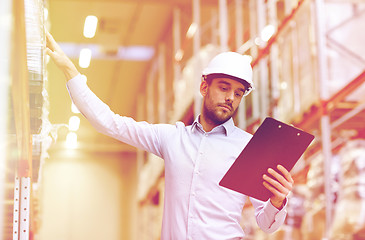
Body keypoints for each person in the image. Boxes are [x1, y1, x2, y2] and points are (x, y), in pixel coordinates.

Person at [46, 31, 294, 240]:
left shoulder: (249, 148)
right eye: (224, 87)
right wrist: (70, 71)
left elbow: (266, 224)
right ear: (204, 86)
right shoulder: (172, 139)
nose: (231, 98)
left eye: (238, 93)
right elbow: (110, 123)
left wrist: (277, 201)